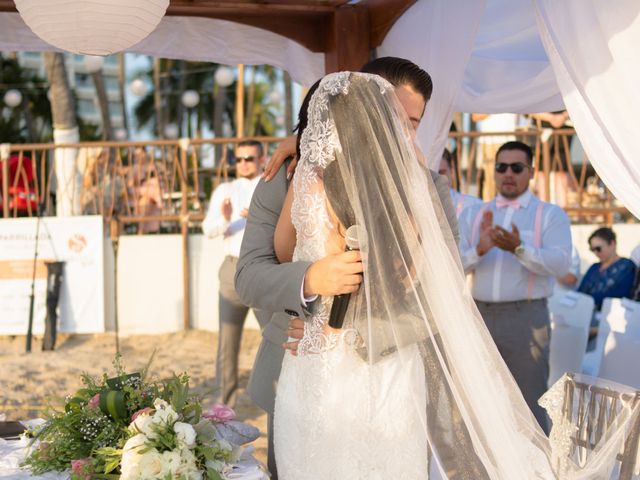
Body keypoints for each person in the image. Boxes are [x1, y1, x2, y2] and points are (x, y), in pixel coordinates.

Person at [270, 71, 565, 480]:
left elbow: (284, 252)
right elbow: (412, 275)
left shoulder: (306, 179)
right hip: (379, 369)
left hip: (314, 357)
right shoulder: (403, 188)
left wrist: (317, 293)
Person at [234, 57, 458, 479]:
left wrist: (354, 330)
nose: (402, 133)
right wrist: (309, 280)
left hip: (386, 376)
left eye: (414, 123)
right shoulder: (285, 177)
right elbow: (248, 276)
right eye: (395, 118)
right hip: (296, 376)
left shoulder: (428, 188)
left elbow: (442, 294)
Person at [458, 140, 572, 432]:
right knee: (476, 402)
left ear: (531, 171)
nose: (508, 173)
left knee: (528, 405)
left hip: (525, 320)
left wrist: (520, 249)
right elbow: (451, 264)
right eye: (501, 167)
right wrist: (480, 251)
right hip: (478, 317)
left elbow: (560, 265)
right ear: (494, 171)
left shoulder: (549, 214)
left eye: (516, 167)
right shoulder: (473, 214)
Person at [202, 139, 266, 408]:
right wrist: (226, 218)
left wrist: (259, 217)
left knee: (273, 337)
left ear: (262, 159)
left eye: (249, 158)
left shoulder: (271, 186)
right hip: (232, 268)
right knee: (227, 342)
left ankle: (271, 400)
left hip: (264, 268)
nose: (243, 164)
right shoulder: (225, 190)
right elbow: (208, 229)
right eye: (238, 159)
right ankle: (225, 407)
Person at [577, 227, 636, 347]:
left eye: (598, 248)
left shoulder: (627, 267)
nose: (596, 253)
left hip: (609, 320)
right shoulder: (594, 267)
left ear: (612, 244)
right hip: (586, 315)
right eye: (592, 249)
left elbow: (621, 295)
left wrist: (591, 300)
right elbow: (580, 292)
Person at [438, 147, 481, 219]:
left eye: (441, 173)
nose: (437, 178)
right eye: (431, 174)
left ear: (451, 171)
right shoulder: (416, 210)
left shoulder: (474, 206)